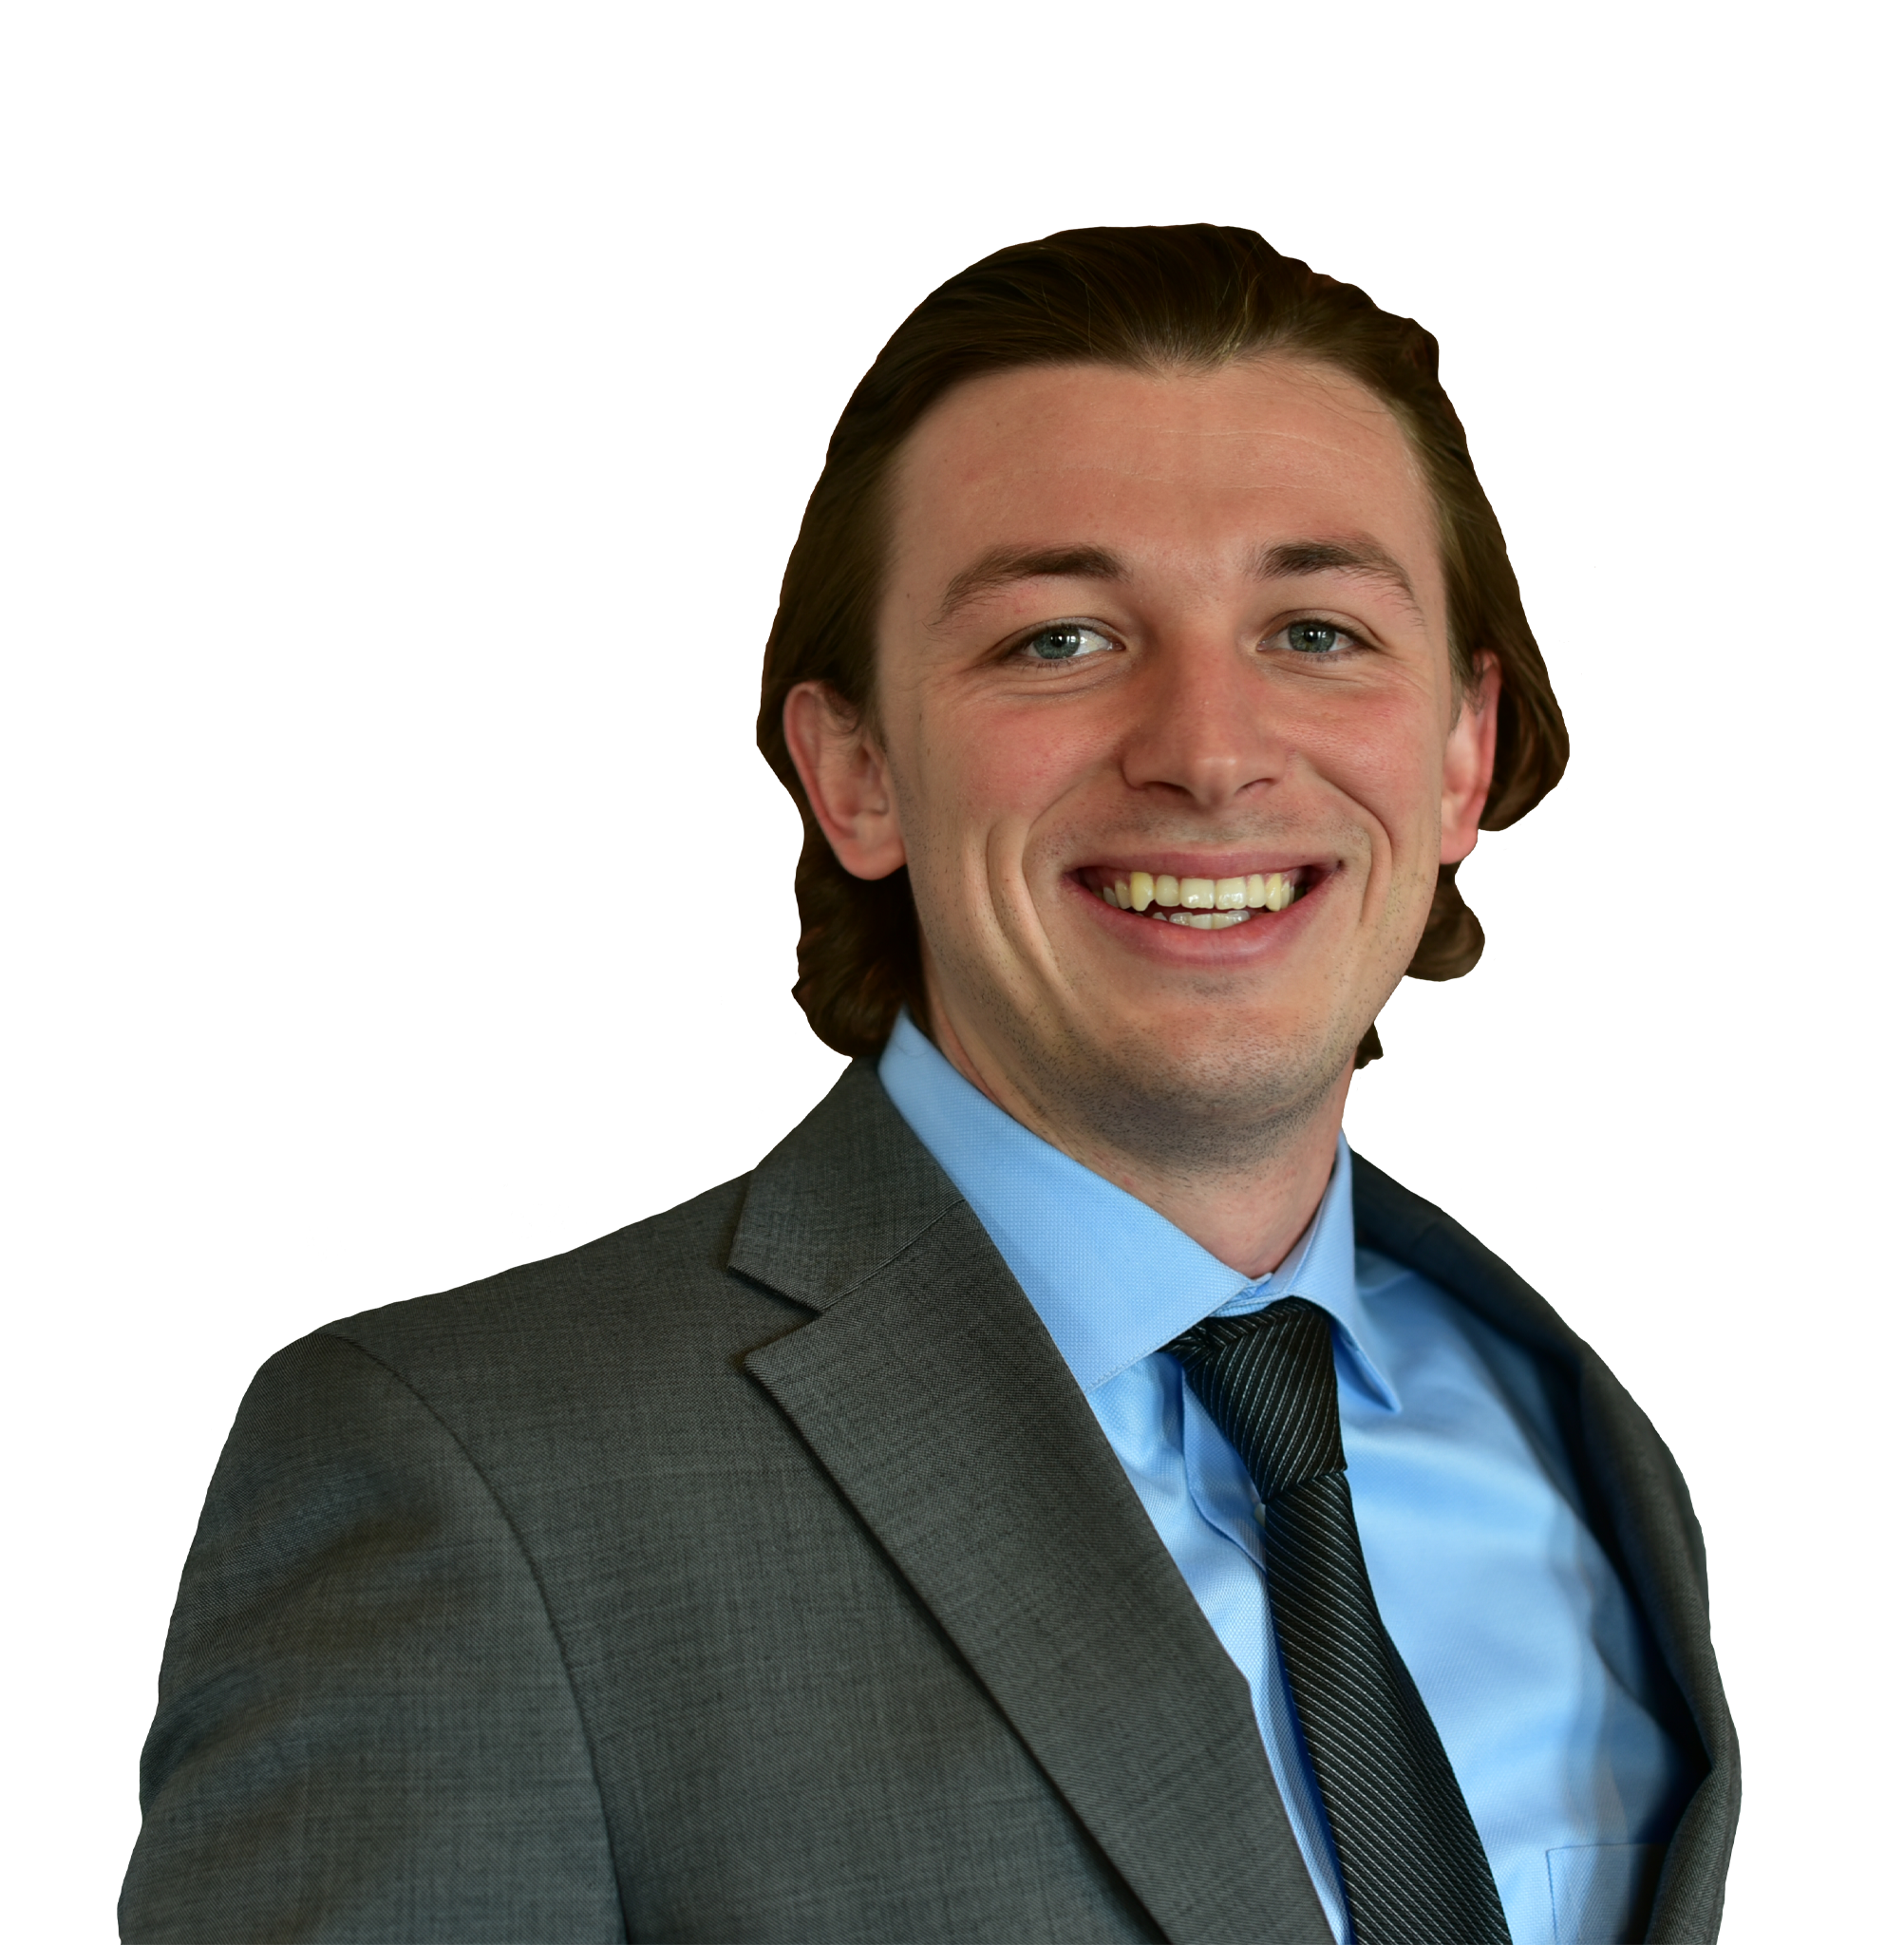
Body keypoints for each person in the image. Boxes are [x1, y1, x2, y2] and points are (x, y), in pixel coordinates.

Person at [123, 228, 1737, 1945]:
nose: (1208, 749)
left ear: (1462, 756)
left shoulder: (1561, 1421)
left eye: (1319, 630)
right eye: (1059, 639)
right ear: (859, 774)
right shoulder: (473, 1474)